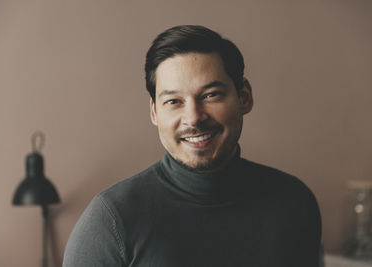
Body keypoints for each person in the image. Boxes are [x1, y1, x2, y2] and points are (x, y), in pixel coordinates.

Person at [63, 25, 322, 267]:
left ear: (244, 97)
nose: (194, 117)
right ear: (154, 112)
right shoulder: (111, 221)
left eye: (210, 95)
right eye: (174, 101)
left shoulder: (294, 202)